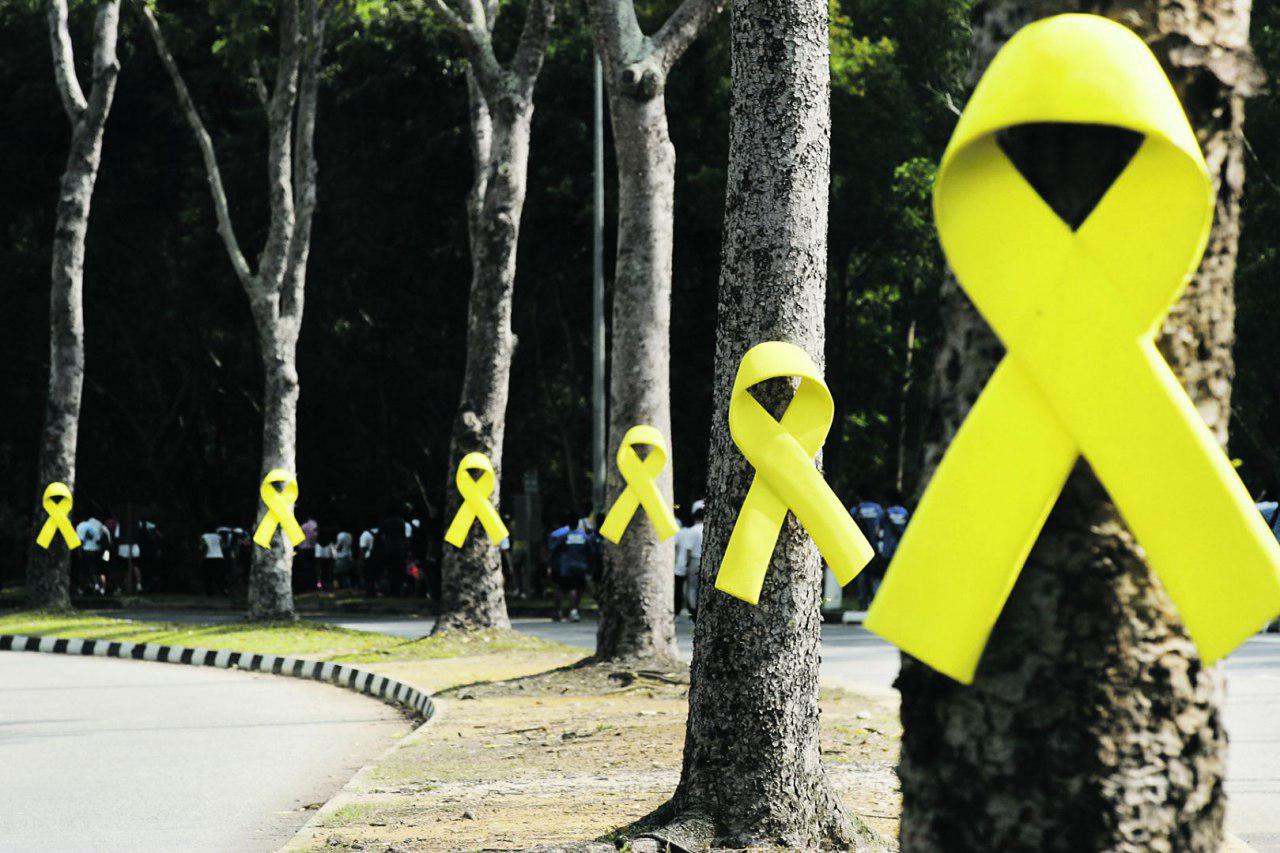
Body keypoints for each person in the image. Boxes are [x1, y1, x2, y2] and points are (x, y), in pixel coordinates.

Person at [547, 510, 599, 622]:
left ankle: (559, 611)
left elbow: (554, 551)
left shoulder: (564, 537)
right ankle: (574, 611)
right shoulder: (584, 537)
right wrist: (590, 567)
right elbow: (591, 553)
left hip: (566, 567)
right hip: (581, 567)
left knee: (562, 588)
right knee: (577, 589)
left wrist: (551, 565)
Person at [850, 492, 886, 608]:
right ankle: (875, 602)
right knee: (875, 575)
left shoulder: (855, 510)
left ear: (859, 496)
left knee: (862, 575)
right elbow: (881, 527)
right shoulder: (878, 509)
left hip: (859, 548)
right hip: (874, 548)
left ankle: (862, 602)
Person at [674, 499, 705, 618]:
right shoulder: (707, 529)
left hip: (694, 560)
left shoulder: (692, 531)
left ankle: (693, 610)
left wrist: (686, 564)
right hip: (704, 560)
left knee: (692, 587)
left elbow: (688, 549)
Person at [75, 515, 111, 595]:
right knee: (98, 570)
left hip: (87, 551)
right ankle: (100, 587)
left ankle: (91, 586)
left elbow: (80, 541)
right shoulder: (100, 526)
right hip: (98, 551)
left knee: (88, 570)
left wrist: (79, 552)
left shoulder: (82, 526)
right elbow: (104, 540)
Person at [199, 526, 226, 596]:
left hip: (209, 557)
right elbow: (223, 546)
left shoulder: (204, 536)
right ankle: (222, 590)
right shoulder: (219, 537)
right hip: (219, 556)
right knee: (219, 575)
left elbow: (203, 546)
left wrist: (201, 553)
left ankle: (209, 592)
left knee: (208, 576)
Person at [294, 516, 319, 592]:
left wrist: (298, 545)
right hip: (312, 548)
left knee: (305, 567)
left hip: (304, 548)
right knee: (312, 567)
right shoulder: (315, 525)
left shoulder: (304, 526)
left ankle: (306, 585)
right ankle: (314, 585)